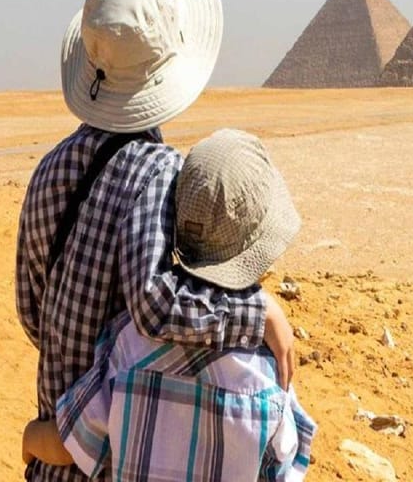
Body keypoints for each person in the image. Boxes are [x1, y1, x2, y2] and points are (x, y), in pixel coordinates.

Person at [16, 0, 295, 482]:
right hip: (118, 457)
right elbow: (155, 303)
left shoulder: (49, 169)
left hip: (55, 448)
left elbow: (33, 313)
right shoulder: (160, 172)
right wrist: (258, 313)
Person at [21, 129, 316, 481]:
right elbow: (286, 466)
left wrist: (30, 438)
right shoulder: (269, 375)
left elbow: (71, 442)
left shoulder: (127, 346)